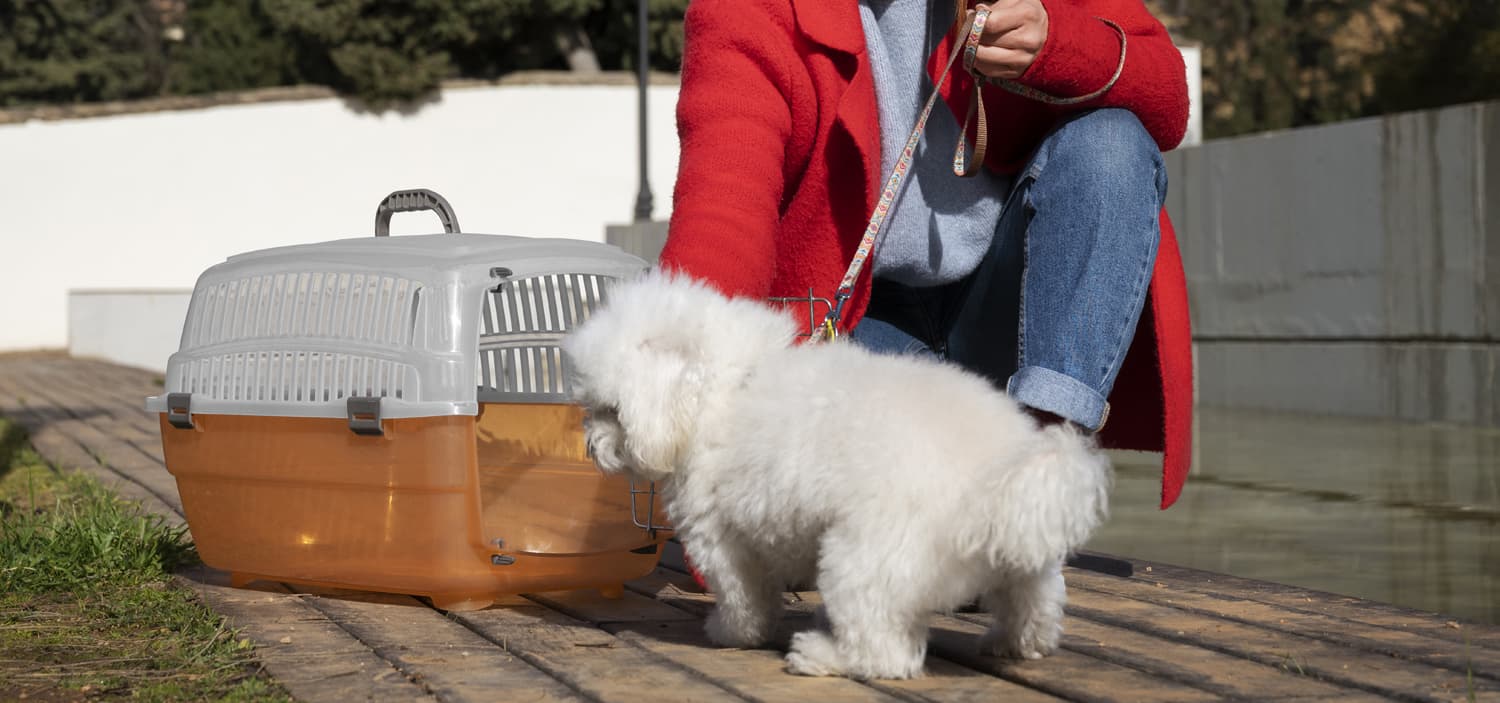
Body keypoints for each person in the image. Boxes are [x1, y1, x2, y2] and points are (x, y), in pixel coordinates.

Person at [657, 0, 1193, 509]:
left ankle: (1041, 482)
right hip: (858, 336)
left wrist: (1059, 47)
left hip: (1002, 311)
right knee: (862, 514)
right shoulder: (751, 13)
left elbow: (1168, 98)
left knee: (1112, 145)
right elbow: (723, 220)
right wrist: (711, 495)